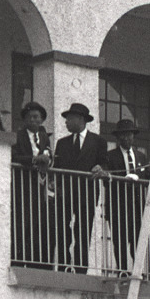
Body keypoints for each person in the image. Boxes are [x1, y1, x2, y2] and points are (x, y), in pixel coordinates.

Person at [52, 102, 107, 271]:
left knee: (83, 233)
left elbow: (104, 164)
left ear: (80, 119)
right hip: (65, 195)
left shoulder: (98, 141)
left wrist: (100, 168)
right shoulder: (62, 143)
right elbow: (57, 167)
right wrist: (56, 184)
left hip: (86, 195)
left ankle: (81, 269)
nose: (66, 122)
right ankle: (63, 266)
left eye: (69, 119)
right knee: (62, 231)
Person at [10, 100, 54, 266]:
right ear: (25, 120)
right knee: (23, 225)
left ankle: (38, 263)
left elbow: (50, 156)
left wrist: (47, 160)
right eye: (30, 117)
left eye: (37, 117)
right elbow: (13, 156)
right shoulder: (18, 136)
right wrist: (33, 160)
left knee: (39, 226)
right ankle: (19, 262)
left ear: (42, 120)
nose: (33, 120)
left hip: (40, 188)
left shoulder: (44, 137)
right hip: (23, 187)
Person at [104, 115, 149, 277]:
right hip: (118, 206)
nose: (126, 138)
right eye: (122, 135)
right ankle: (122, 270)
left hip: (137, 206)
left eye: (129, 135)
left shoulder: (141, 156)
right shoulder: (110, 156)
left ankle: (138, 271)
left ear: (133, 136)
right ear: (117, 137)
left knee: (137, 241)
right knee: (120, 241)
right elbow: (106, 180)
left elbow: (148, 178)